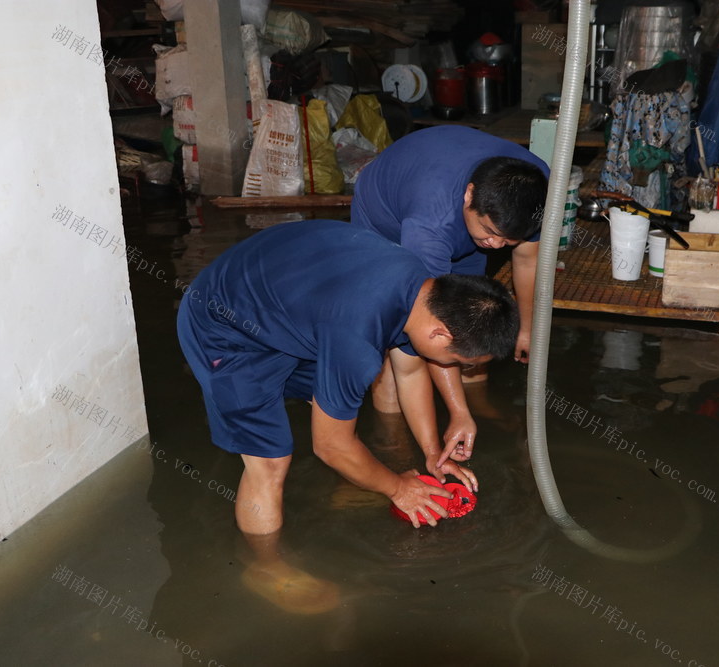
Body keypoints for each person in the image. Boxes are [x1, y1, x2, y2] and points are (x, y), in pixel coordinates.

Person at [176, 219, 518, 612]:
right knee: (270, 461)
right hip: (224, 327)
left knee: (335, 405)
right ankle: (264, 566)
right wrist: (398, 488)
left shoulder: (420, 289)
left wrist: (431, 454)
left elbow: (409, 371)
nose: (460, 369)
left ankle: (357, 479)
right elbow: (330, 447)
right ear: (440, 334)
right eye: (461, 361)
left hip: (283, 307)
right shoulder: (357, 338)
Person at [350, 125, 549, 440]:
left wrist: (527, 329)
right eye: (491, 231)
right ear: (469, 194)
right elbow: (435, 321)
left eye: (508, 239)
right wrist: (458, 413)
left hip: (454, 215)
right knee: (401, 347)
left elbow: (527, 259)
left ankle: (478, 403)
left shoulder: (535, 191)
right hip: (384, 217)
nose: (497, 246)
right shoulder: (429, 229)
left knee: (477, 324)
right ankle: (394, 443)